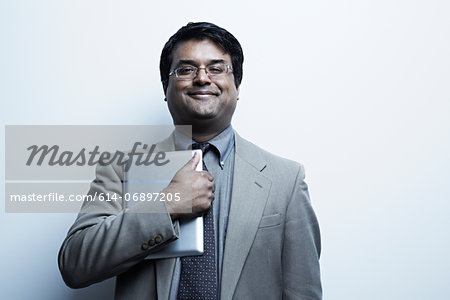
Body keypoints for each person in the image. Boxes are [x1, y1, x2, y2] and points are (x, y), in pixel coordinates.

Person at [59, 22, 322, 300]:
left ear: (237, 85)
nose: (202, 78)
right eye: (186, 69)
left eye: (217, 68)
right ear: (166, 87)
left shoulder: (286, 180)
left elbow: (303, 291)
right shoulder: (121, 170)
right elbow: (74, 264)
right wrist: (166, 206)